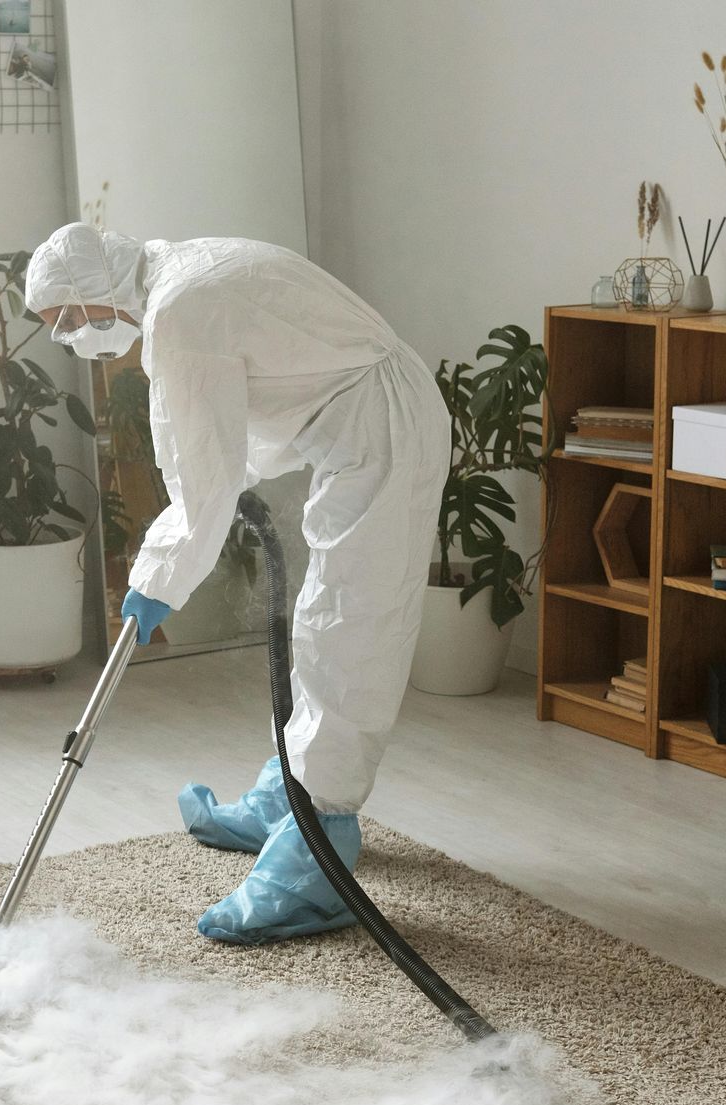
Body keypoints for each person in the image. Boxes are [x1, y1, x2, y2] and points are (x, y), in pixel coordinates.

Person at [23, 223, 448, 947]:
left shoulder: (179, 313)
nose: (68, 336)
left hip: (383, 427)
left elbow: (201, 482)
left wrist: (158, 576)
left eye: (66, 317)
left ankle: (320, 848)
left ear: (96, 293)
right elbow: (232, 424)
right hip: (358, 423)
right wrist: (187, 538)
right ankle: (290, 792)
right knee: (326, 617)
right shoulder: (177, 278)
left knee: (347, 629)